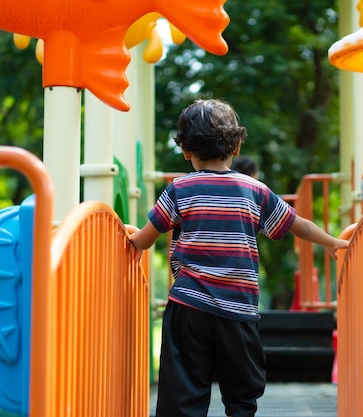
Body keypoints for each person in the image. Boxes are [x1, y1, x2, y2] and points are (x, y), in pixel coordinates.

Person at [130, 98, 349, 417]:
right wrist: (331, 242)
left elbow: (145, 240)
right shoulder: (254, 189)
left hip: (189, 307)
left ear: (186, 150)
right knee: (241, 393)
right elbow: (296, 224)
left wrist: (130, 236)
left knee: (183, 390)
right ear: (236, 147)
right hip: (239, 308)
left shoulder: (179, 189)